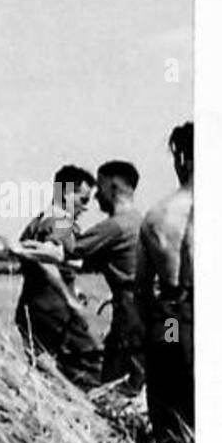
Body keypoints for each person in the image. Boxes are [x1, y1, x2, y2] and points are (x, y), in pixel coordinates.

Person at [13, 164, 102, 388]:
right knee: (90, 365)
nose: (86, 207)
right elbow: (47, 262)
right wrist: (70, 299)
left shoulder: (39, 220)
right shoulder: (62, 220)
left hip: (31, 309)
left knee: (44, 377)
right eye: (83, 199)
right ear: (65, 193)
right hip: (55, 311)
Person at [136, 122, 194, 443]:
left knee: (171, 385)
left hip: (172, 316)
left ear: (182, 159)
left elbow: (141, 287)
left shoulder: (155, 214)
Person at [64, 160, 145, 389]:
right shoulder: (143, 221)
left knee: (114, 379)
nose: (96, 197)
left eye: (99, 188)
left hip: (130, 317)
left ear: (113, 187)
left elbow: (69, 248)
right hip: (164, 317)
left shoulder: (114, 227)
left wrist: (62, 208)